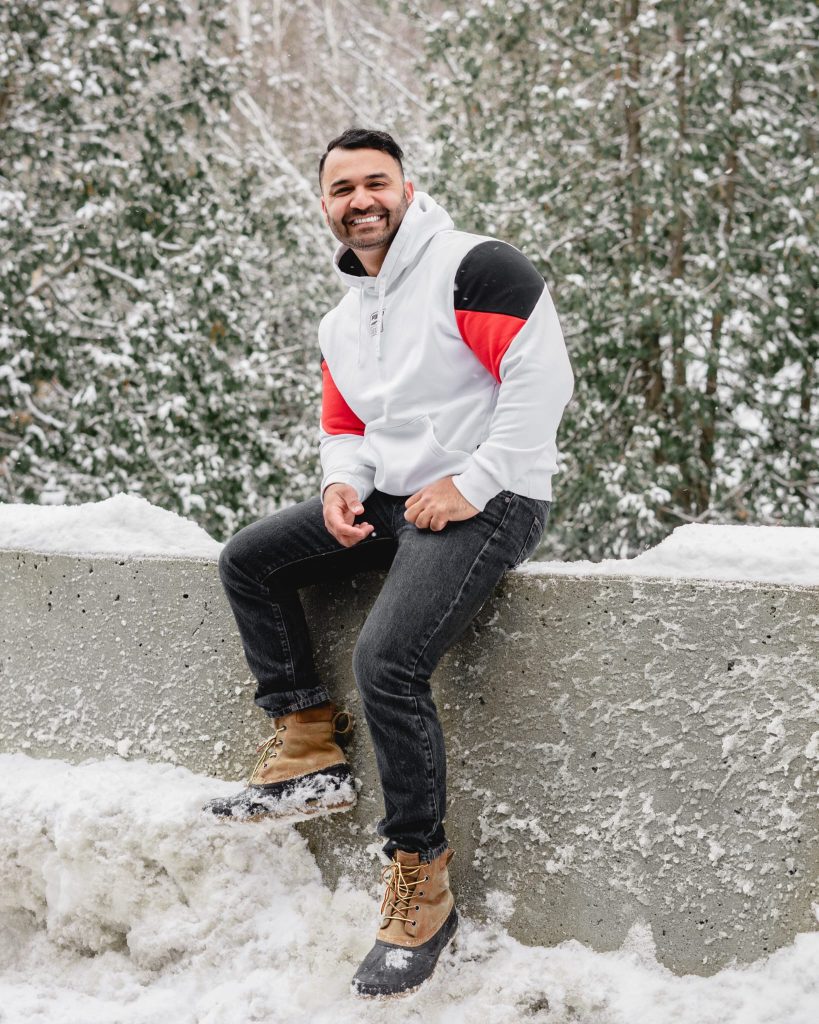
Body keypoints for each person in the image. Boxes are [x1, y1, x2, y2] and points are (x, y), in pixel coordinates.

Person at [205, 127, 574, 998]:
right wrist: (341, 485)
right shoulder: (344, 317)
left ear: (406, 189)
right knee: (249, 560)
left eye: (376, 183)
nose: (360, 200)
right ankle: (306, 749)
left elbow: (540, 380)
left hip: (494, 498)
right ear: (324, 206)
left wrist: (473, 483)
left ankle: (420, 881)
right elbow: (347, 427)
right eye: (342, 190)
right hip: (396, 499)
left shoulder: (474, 265)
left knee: (387, 660)